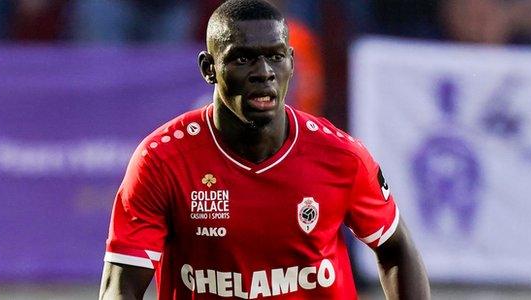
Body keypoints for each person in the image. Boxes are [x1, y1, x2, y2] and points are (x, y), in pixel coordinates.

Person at [98, 0, 430, 299]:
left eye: (275, 56)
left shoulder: (341, 156)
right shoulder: (162, 161)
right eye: (243, 59)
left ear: (291, 62)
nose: (264, 73)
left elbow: (396, 249)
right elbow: (122, 283)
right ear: (208, 68)